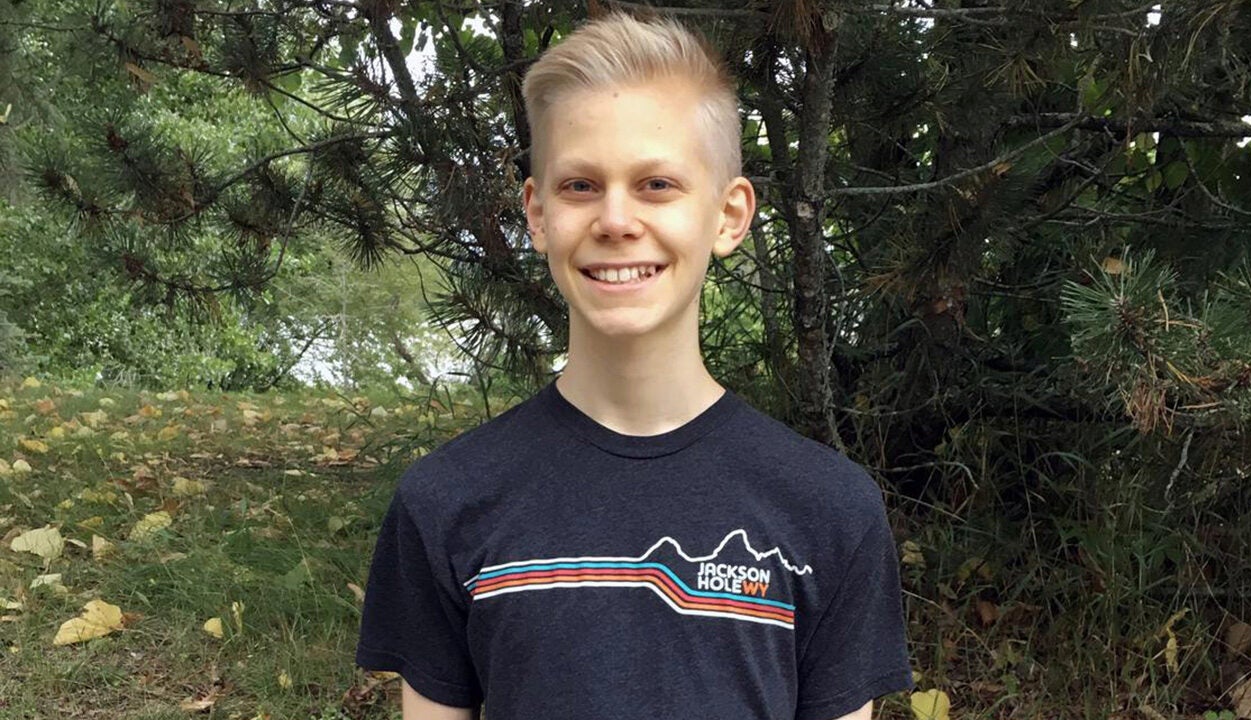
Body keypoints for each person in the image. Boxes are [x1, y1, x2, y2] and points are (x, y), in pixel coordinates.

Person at [356, 13, 913, 720]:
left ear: (729, 215)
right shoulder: (445, 501)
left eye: (656, 184)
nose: (616, 219)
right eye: (580, 186)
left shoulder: (829, 510)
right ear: (536, 213)